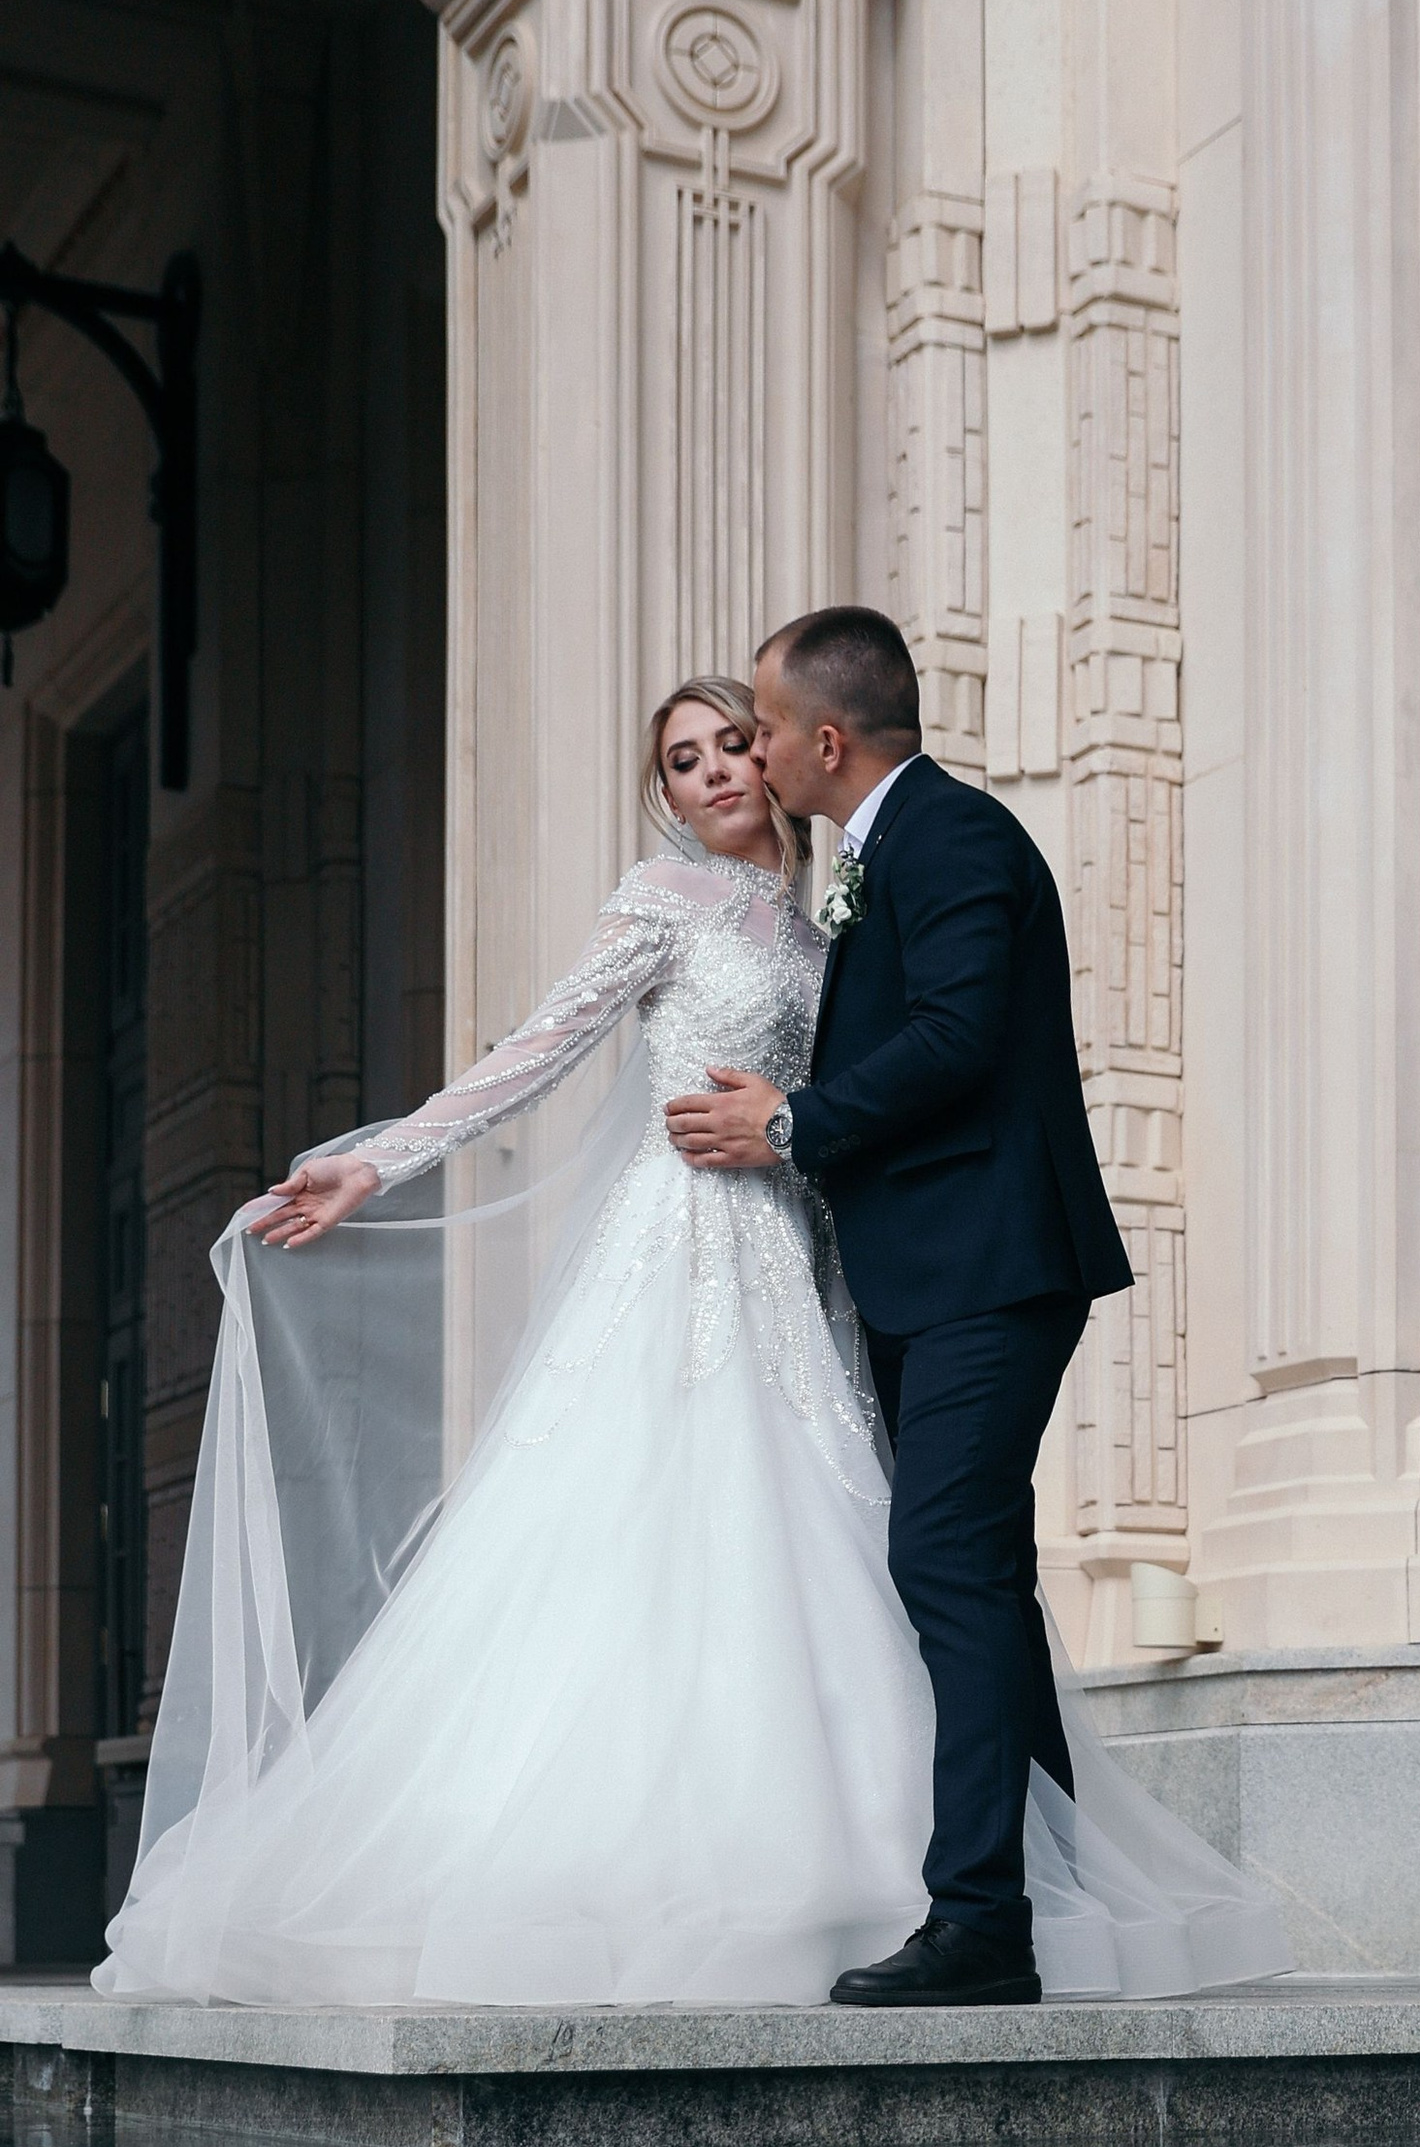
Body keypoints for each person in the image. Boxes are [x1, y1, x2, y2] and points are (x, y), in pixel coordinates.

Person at [95, 663, 1285, 2009]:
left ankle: (919, 1883)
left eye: (735, 743)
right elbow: (537, 1048)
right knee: (653, 1534)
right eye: (685, 760)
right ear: (660, 795)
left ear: (784, 758)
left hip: (803, 1263)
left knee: (867, 1546)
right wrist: (386, 1160)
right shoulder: (662, 903)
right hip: (676, 1252)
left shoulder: (835, 912)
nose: (719, 771)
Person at [666, 606, 1132, 2011]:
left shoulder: (954, 838)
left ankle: (984, 1921)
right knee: (977, 1568)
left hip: (992, 1266)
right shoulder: (873, 860)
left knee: (944, 1563)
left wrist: (796, 1122)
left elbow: (958, 1035)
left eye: (758, 723)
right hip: (927, 1271)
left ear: (825, 739)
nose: (748, 747)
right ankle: (1058, 1884)